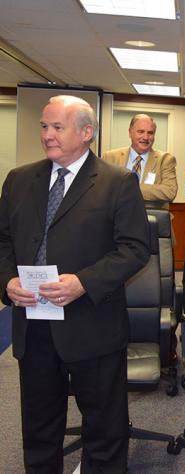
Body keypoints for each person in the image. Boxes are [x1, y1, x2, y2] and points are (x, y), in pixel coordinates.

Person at [0, 95, 150, 472]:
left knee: (103, 429)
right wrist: (7, 283)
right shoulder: (19, 180)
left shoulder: (117, 182)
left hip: (91, 324)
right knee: (38, 427)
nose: (47, 135)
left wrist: (83, 282)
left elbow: (134, 249)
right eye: (44, 127)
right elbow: (2, 241)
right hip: (33, 325)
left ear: (86, 133)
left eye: (56, 127)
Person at [102, 113, 178, 209]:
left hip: (151, 219)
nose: (145, 137)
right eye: (141, 132)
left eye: (150, 133)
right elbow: (102, 189)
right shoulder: (110, 157)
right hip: (115, 219)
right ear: (130, 133)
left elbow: (169, 192)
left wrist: (128, 188)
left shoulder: (165, 159)